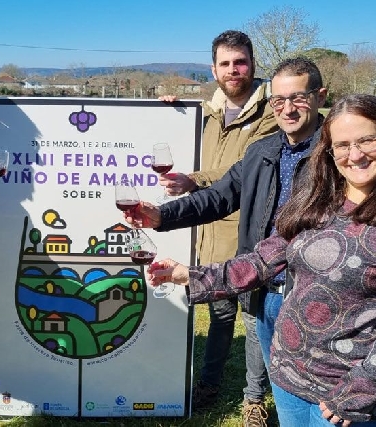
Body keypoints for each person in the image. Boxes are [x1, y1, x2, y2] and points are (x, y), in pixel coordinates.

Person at [147, 93, 376, 426]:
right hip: (289, 379)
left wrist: (361, 391)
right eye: (342, 145)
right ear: (329, 152)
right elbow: (259, 261)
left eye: (367, 140)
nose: (354, 155)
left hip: (344, 394)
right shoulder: (317, 201)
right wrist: (187, 275)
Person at [131, 57, 326, 366]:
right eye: (278, 100)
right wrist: (162, 215)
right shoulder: (260, 152)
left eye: (298, 98)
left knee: (322, 386)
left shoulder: (337, 154)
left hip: (318, 292)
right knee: (281, 377)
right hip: (267, 286)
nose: (287, 109)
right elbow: (217, 197)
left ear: (320, 96)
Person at [158, 30, 278, 425]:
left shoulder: (272, 112)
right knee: (220, 311)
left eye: (240, 62)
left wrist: (195, 179)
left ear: (253, 65)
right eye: (225, 63)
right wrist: (171, 115)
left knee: (253, 315)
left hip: (249, 228)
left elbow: (243, 171)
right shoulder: (206, 112)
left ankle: (254, 397)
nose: (233, 70)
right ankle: (209, 383)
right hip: (209, 228)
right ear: (213, 69)